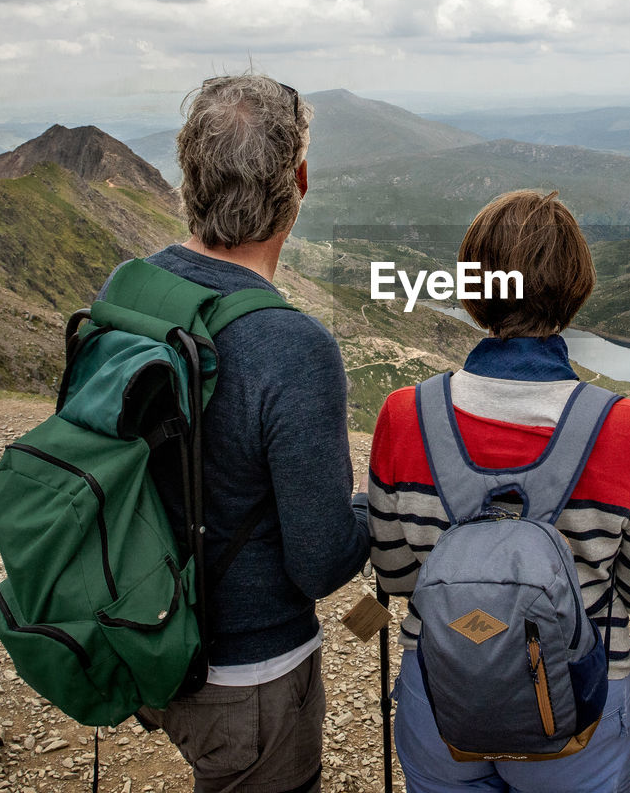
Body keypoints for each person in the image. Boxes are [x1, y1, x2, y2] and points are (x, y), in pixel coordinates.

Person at [368, 189, 630, 793]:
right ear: (575, 288)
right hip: (579, 707)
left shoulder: (404, 415)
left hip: (441, 690)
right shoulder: (627, 428)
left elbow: (399, 578)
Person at [132, 75, 369, 793]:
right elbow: (321, 563)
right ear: (297, 182)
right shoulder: (291, 345)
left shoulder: (130, 291)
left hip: (143, 636)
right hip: (248, 675)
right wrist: (374, 503)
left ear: (189, 177)